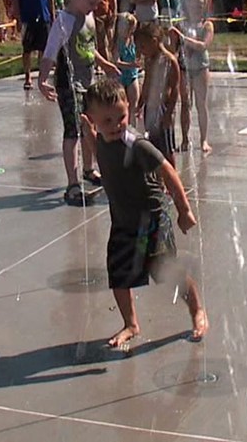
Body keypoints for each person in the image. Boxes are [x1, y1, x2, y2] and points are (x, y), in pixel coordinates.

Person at [81, 78, 208, 349]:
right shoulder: (101, 138)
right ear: (93, 118)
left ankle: (197, 309)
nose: (116, 125)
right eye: (107, 121)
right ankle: (131, 324)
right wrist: (88, 134)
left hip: (152, 219)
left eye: (121, 117)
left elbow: (168, 172)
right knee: (118, 275)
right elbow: (100, 154)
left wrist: (184, 210)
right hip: (122, 222)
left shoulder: (136, 144)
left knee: (167, 272)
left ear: (128, 106)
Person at [38, 0, 119, 205]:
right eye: (91, 3)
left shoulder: (88, 17)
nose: (94, 8)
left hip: (88, 80)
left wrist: (104, 64)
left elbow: (89, 47)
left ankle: (88, 169)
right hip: (68, 83)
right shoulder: (64, 20)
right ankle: (72, 185)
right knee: (72, 131)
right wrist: (42, 79)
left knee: (89, 126)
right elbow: (50, 51)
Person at [172, 0, 215, 154]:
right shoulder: (182, 24)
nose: (196, 7)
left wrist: (183, 38)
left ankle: (204, 139)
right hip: (185, 67)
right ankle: (185, 139)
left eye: (200, 4)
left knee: (201, 104)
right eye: (193, 3)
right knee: (185, 103)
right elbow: (175, 45)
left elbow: (203, 45)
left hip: (200, 67)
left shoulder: (207, 25)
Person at [135, 20, 181, 164]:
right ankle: (158, 175)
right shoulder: (149, 61)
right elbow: (147, 83)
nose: (141, 50)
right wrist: (140, 103)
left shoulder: (169, 60)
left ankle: (172, 174)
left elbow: (175, 89)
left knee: (167, 148)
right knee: (153, 146)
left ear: (154, 41)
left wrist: (169, 113)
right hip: (150, 107)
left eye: (143, 46)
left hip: (163, 108)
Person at [11, 0, 55, 90]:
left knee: (44, 49)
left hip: (44, 17)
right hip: (28, 19)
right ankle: (28, 76)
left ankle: (42, 76)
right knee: (27, 49)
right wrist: (18, 18)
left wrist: (52, 16)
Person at [114, 14, 142, 124]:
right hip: (120, 76)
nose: (131, 32)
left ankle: (133, 127)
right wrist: (131, 65)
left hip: (132, 75)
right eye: (129, 29)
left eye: (133, 29)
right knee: (120, 106)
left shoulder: (132, 39)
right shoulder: (117, 42)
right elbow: (117, 62)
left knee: (134, 106)